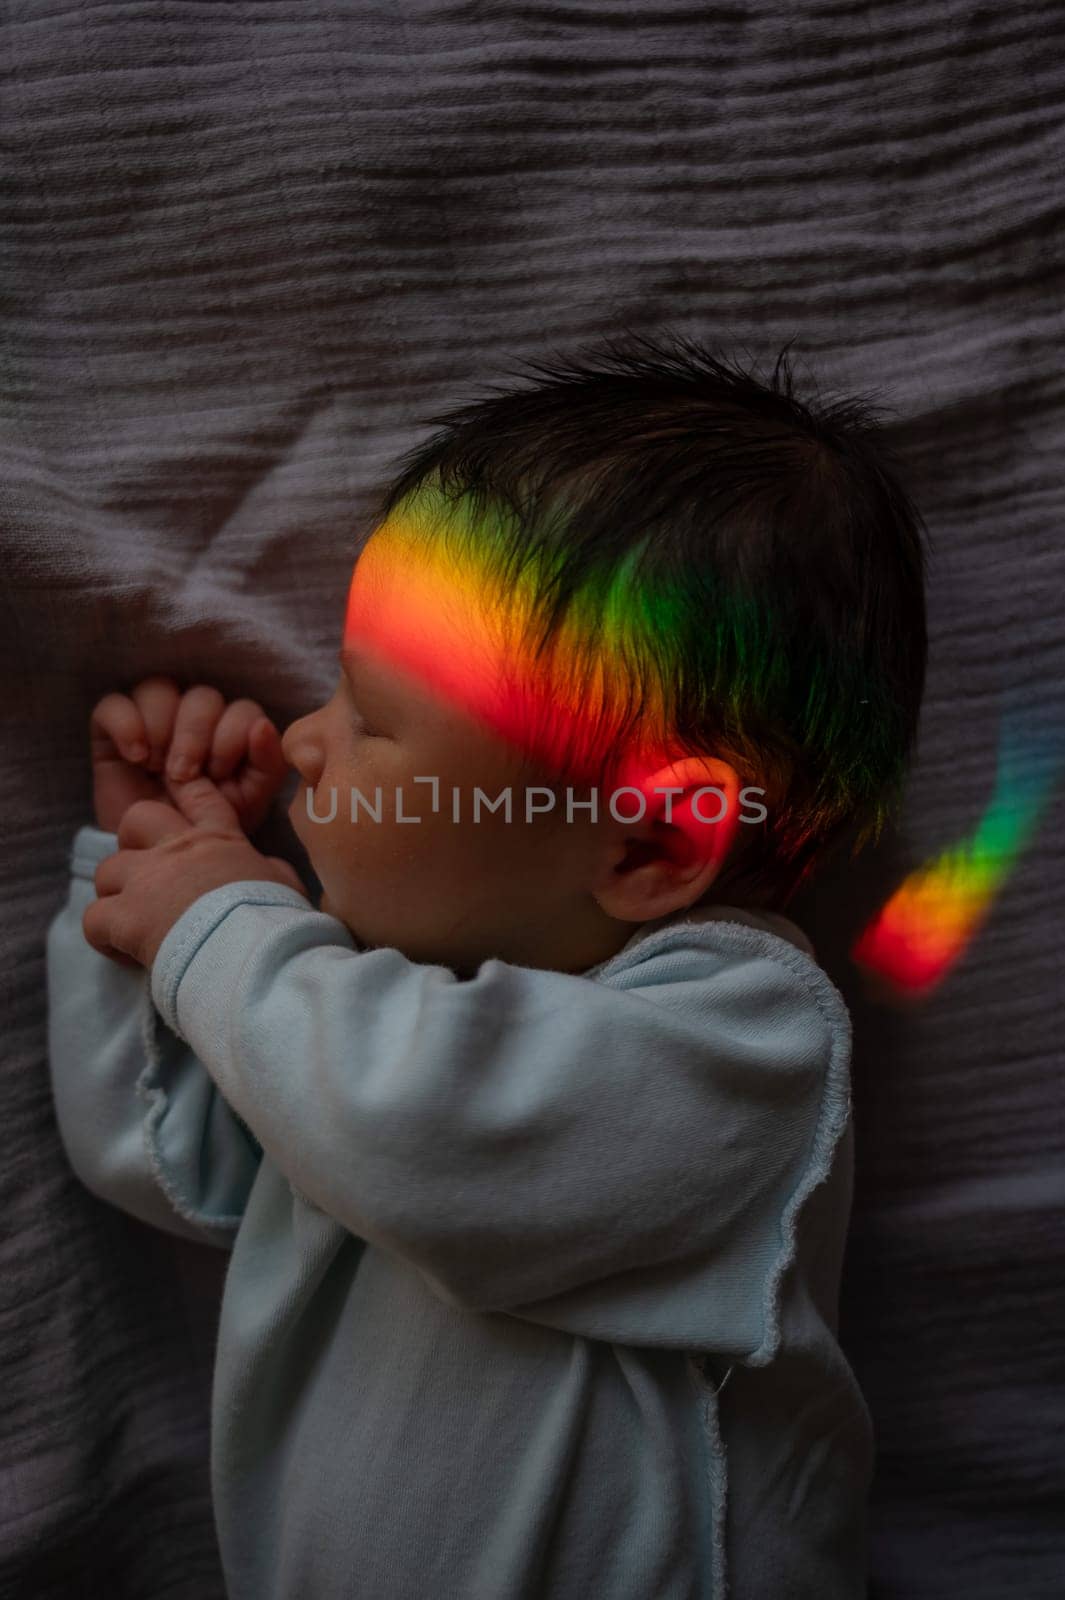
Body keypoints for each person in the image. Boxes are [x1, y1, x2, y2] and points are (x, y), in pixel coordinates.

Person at [46, 333, 927, 1599]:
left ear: (652, 837)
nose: (303, 738)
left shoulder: (745, 1039)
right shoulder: (355, 1013)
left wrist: (220, 923)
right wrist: (150, 862)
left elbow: (414, 1127)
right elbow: (162, 1159)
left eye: (372, 717)